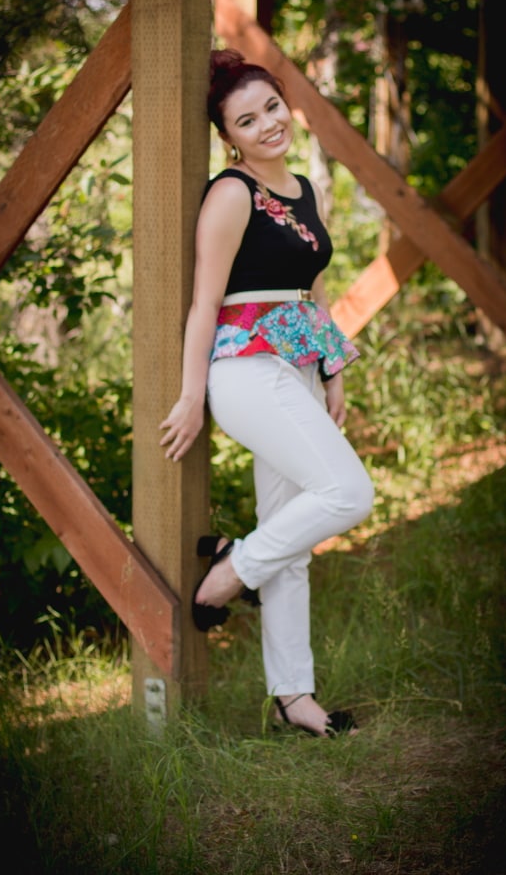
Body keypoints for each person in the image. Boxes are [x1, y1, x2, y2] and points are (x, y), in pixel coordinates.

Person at [159, 49, 374, 737]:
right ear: (231, 137)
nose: (267, 124)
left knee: (295, 541)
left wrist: (332, 367)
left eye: (272, 107)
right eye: (247, 120)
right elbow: (205, 305)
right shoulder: (231, 193)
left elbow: (309, 289)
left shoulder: (304, 190)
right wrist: (193, 396)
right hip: (246, 371)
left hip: (298, 366)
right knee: (349, 493)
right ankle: (232, 570)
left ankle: (294, 699)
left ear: (286, 104)